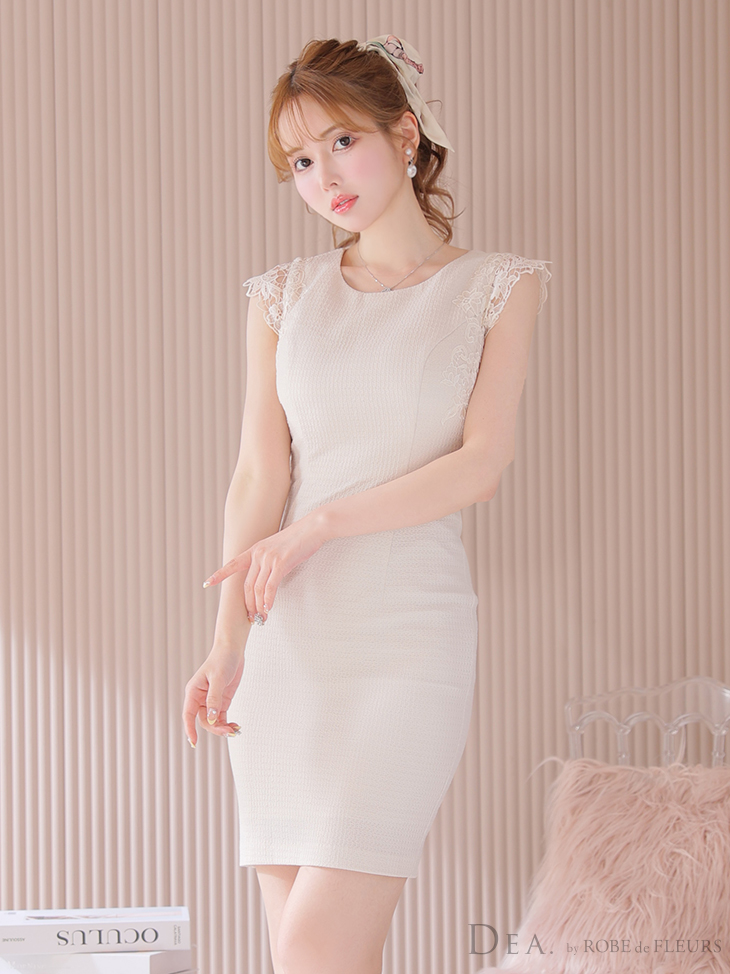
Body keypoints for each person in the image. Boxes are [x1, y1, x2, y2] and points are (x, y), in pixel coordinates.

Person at [182, 34, 552, 974]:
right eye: (301, 162)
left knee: (315, 950)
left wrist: (321, 525)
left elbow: (481, 465)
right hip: (285, 651)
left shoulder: (497, 286)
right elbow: (257, 476)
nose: (325, 178)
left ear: (405, 133)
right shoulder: (281, 298)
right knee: (301, 957)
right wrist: (227, 645)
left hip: (405, 638)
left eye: (342, 142)